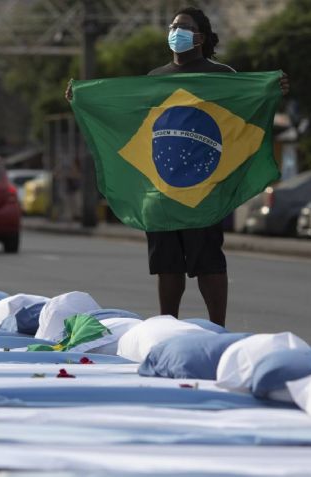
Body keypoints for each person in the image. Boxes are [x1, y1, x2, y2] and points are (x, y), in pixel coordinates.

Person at [66, 7, 288, 327]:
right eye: (172, 26)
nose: (175, 31)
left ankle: (218, 330)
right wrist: (84, 98)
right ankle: (166, 327)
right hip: (162, 190)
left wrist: (271, 89)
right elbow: (126, 114)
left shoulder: (221, 76)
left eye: (183, 27)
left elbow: (246, 107)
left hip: (204, 190)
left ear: (200, 37)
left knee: (209, 263)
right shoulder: (155, 79)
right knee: (167, 266)